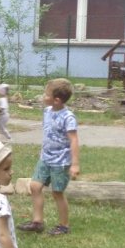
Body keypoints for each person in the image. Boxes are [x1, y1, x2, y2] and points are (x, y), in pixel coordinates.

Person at [19, 78, 80, 236]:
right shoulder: (47, 111)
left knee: (57, 192)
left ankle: (64, 225)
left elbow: (73, 140)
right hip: (45, 159)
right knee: (35, 186)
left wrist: (75, 164)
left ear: (57, 100)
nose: (43, 96)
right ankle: (37, 222)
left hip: (61, 162)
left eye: (46, 94)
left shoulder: (68, 117)